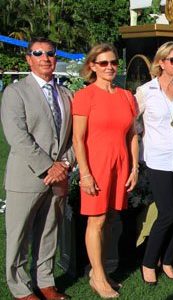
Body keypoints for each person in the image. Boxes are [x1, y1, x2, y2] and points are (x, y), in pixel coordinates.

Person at [2, 37, 73, 300]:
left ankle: (45, 282)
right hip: (27, 177)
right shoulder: (15, 92)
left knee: (48, 233)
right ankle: (20, 288)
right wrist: (47, 168)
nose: (45, 58)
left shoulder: (66, 94)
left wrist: (64, 165)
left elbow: (74, 137)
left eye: (50, 53)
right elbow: (17, 136)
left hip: (58, 177)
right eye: (38, 53)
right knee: (19, 236)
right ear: (28, 59)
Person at [72, 43, 138, 298]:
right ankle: (98, 277)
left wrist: (134, 167)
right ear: (92, 66)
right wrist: (85, 174)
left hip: (120, 163)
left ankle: (98, 271)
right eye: (103, 63)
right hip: (96, 165)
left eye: (113, 62)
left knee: (110, 219)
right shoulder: (85, 96)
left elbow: (132, 134)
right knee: (96, 220)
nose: (109, 67)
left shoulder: (126, 96)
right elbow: (78, 139)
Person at [137, 41, 173, 284]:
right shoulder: (145, 91)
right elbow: (132, 123)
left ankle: (168, 260)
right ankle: (149, 262)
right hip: (158, 160)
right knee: (167, 213)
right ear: (161, 63)